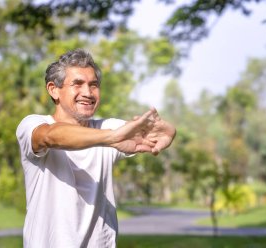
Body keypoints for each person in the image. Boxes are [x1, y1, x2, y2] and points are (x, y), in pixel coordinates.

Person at [16, 48, 176, 248]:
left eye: (94, 85)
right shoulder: (32, 124)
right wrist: (111, 137)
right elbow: (50, 136)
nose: (88, 93)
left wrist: (167, 132)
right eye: (77, 84)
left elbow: (149, 133)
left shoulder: (106, 127)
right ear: (53, 89)